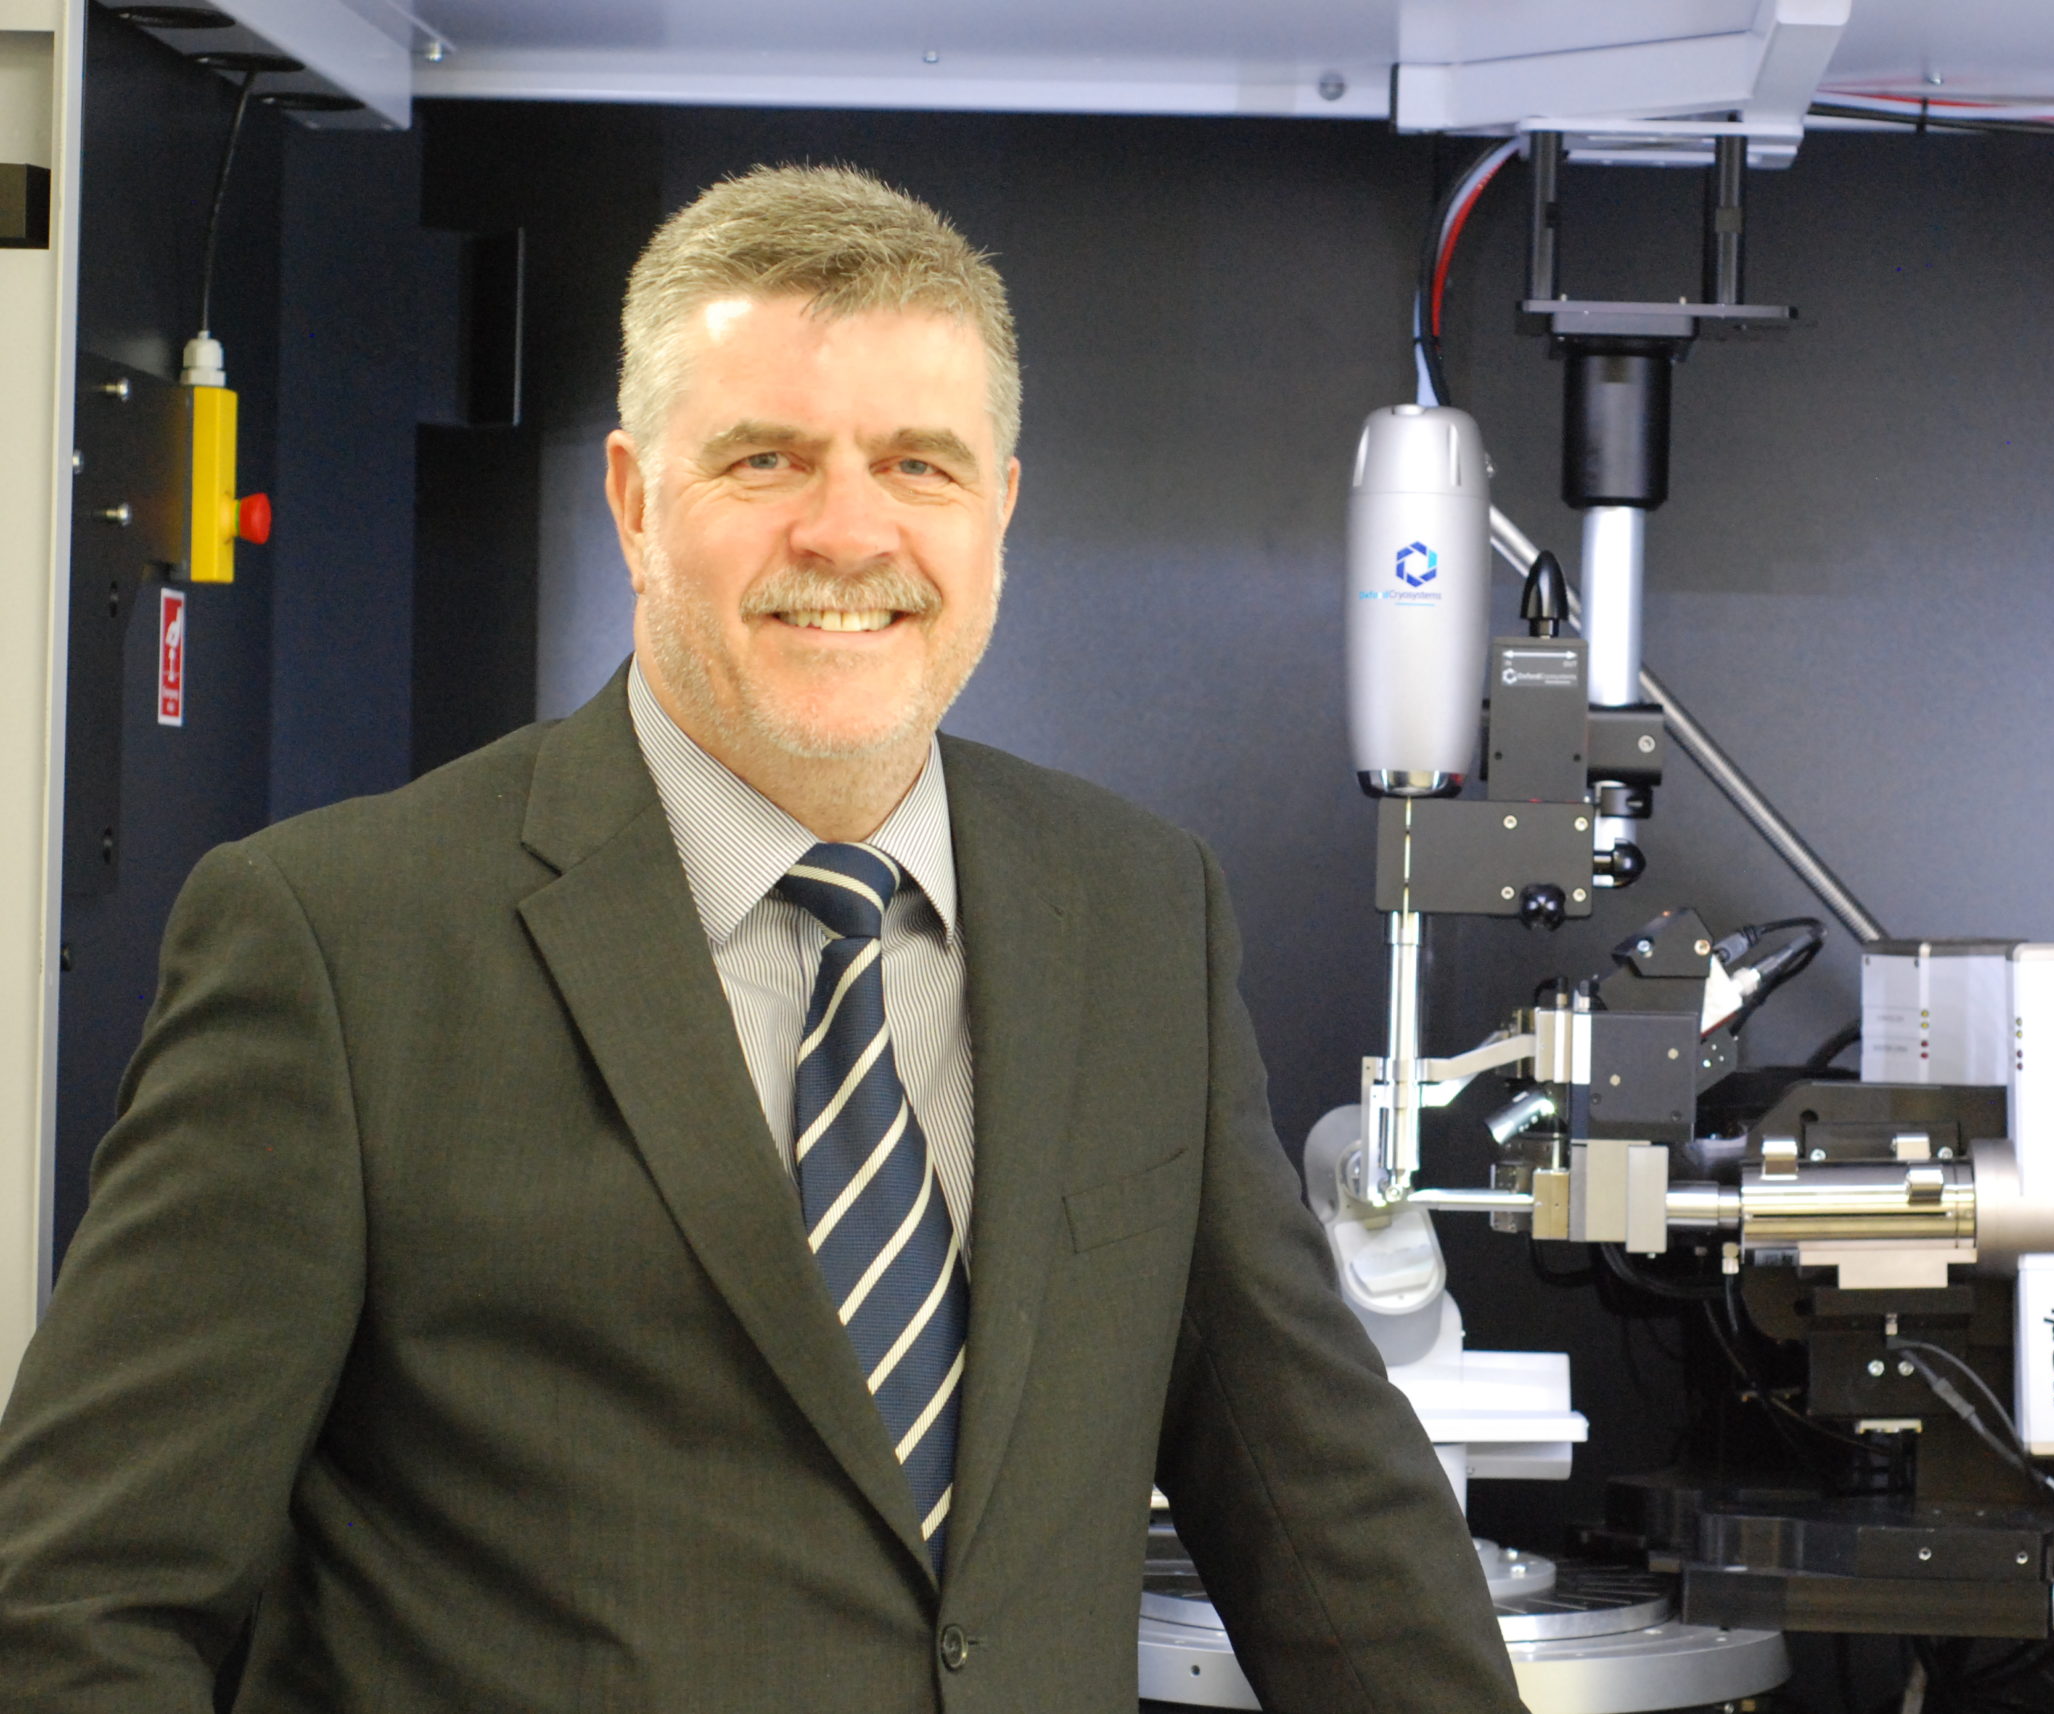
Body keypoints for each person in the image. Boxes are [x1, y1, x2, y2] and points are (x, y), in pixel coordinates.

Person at [0, 164, 1524, 1713]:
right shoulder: (337, 945)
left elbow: (1325, 1520)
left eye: (918, 463)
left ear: (1000, 508)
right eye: (765, 458)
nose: (848, 532)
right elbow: (81, 1601)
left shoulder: (1138, 911)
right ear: (634, 501)